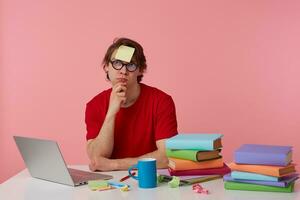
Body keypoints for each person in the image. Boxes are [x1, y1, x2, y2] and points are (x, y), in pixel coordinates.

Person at [85, 38, 178, 171]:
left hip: (150, 179)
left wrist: (114, 165)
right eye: (117, 63)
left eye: (131, 65)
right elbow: (96, 158)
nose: (123, 71)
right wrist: (111, 112)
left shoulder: (161, 101)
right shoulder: (94, 105)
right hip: (111, 183)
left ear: (140, 70)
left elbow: (166, 157)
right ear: (106, 66)